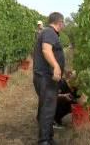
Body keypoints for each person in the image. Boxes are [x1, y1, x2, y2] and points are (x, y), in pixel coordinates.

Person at [33, 12, 65, 145]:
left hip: (46, 78)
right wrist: (56, 66)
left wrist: (63, 70)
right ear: (59, 22)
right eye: (63, 23)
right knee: (48, 109)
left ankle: (48, 138)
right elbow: (46, 50)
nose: (63, 26)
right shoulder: (49, 32)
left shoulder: (47, 32)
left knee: (48, 108)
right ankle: (44, 141)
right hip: (46, 78)